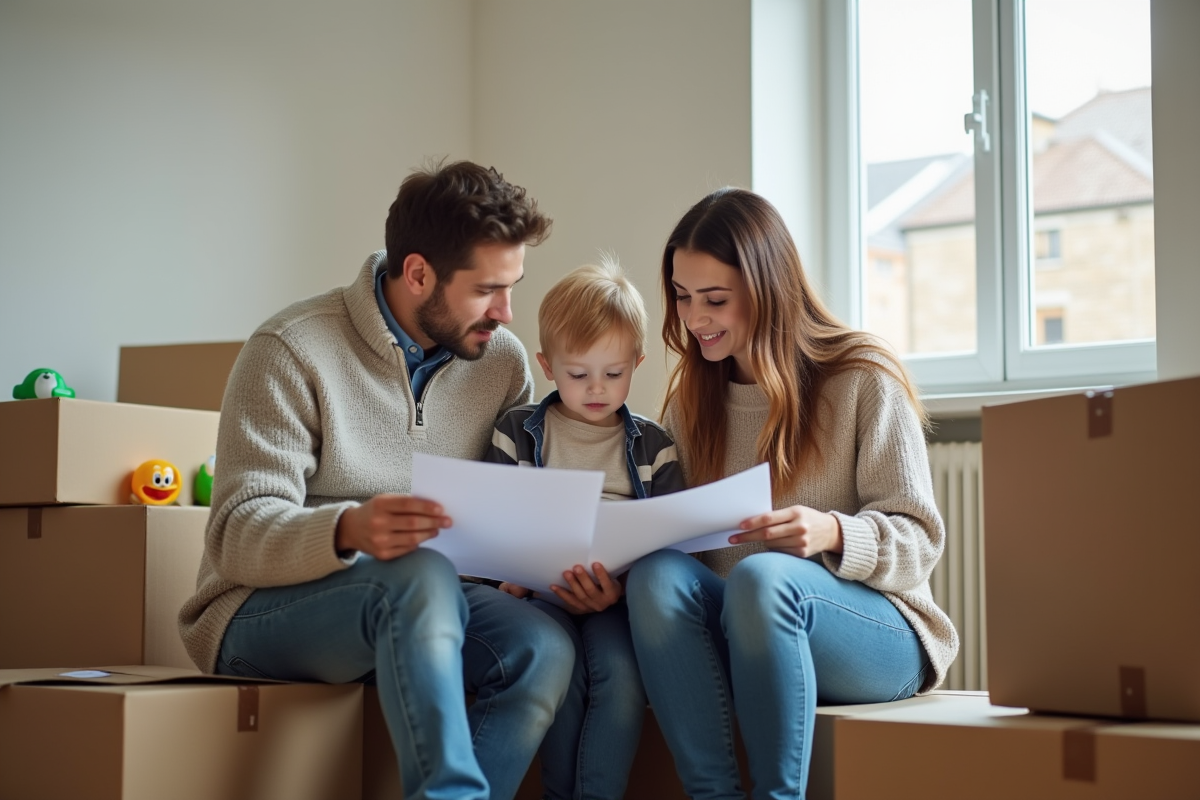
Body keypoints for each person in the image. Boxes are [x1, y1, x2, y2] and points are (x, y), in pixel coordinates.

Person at [178, 160, 576, 800]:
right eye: (487, 290)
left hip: (429, 600)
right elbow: (235, 534)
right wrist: (349, 529)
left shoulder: (499, 363)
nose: (506, 312)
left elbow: (503, 510)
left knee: (543, 648)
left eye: (512, 287)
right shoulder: (291, 348)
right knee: (417, 577)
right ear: (418, 274)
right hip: (260, 612)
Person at [624, 187, 959, 799]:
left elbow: (921, 540)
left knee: (764, 578)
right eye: (682, 296)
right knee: (654, 576)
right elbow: (676, 548)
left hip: (879, 637)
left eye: (715, 299)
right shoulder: (690, 402)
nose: (695, 318)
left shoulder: (862, 377)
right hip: (747, 634)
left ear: (768, 289)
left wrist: (835, 532)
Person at [482, 258, 685, 800]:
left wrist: (623, 588)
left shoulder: (654, 446)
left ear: (637, 363)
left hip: (616, 603)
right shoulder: (517, 432)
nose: (597, 388)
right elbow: (490, 523)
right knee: (563, 679)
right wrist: (512, 577)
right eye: (578, 374)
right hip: (540, 598)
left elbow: (673, 547)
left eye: (614, 374)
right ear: (547, 366)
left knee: (621, 679)